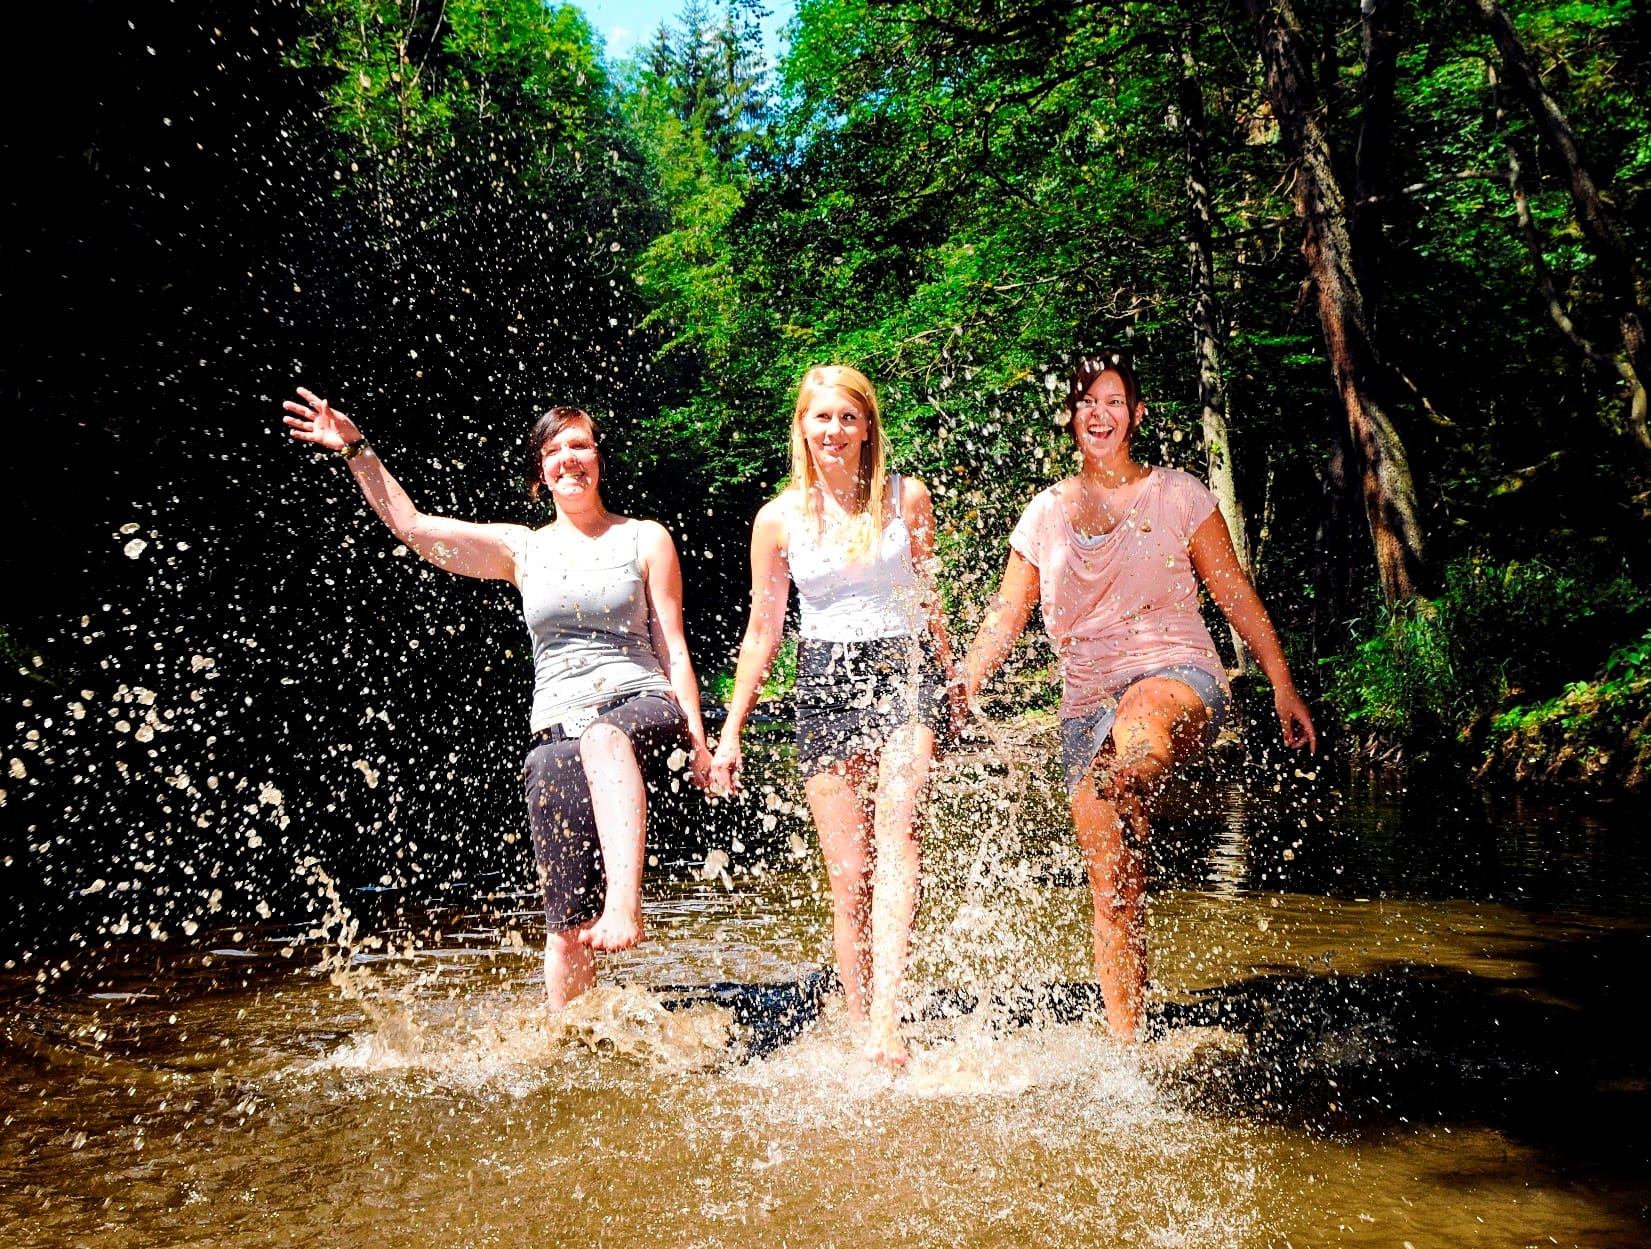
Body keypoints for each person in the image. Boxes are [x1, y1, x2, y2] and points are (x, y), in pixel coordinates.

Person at [282, 388, 713, 1007]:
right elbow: (413, 527)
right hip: (557, 727)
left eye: (581, 446)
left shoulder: (644, 539)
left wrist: (700, 743)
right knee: (567, 929)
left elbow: (672, 645)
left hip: (640, 701)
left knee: (604, 737)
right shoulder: (522, 548)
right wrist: (356, 449)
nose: (570, 458)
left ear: (599, 459)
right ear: (541, 471)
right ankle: (573, 1042)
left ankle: (626, 902)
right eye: (556, 449)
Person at [962, 353, 1315, 1042]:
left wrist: (1280, 679)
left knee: (1140, 716)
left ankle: (1135, 769)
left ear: (1136, 414)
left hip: (1177, 671)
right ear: (1069, 415)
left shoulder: (1178, 494)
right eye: (1087, 401)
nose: (1100, 413)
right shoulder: (1042, 514)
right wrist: (963, 684)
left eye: (1114, 401)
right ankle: (1128, 1045)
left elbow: (1232, 591)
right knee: (1115, 890)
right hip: (1083, 707)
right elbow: (1005, 616)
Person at [709, 365, 963, 1066]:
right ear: (801, 427)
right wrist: (731, 731)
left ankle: (886, 1021)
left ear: (867, 426)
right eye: (821, 417)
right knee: (849, 872)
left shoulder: (905, 498)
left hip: (902, 668)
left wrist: (955, 678)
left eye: (847, 417)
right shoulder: (777, 518)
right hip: (822, 679)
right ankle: (858, 1022)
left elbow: (928, 597)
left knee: (900, 831)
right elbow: (762, 631)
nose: (834, 430)